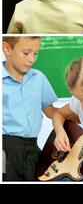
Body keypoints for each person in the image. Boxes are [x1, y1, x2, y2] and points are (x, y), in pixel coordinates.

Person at [2, 36, 58, 181]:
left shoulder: (38, 77)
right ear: (6, 49)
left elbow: (50, 111)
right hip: (5, 146)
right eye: (26, 53)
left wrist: (74, 112)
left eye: (35, 53)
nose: (31, 59)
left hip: (32, 146)